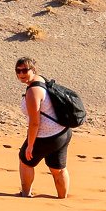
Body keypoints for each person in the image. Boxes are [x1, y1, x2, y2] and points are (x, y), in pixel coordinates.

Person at [15, 57, 71, 199]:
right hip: (63, 132)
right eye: (18, 70)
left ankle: (26, 194)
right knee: (58, 169)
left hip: (47, 136)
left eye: (24, 70)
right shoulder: (42, 80)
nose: (21, 73)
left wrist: (30, 145)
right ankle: (62, 198)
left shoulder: (33, 91)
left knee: (25, 162)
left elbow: (35, 123)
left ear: (33, 70)